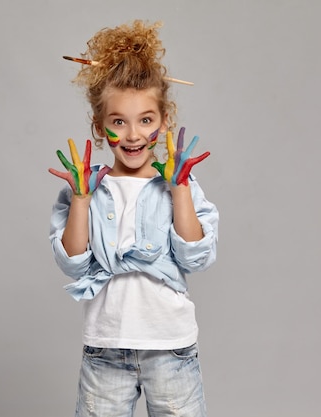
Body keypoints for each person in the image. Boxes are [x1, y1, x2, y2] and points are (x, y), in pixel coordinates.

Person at [49, 20, 219, 417]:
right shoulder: (86, 188)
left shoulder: (178, 184)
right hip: (105, 346)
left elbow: (196, 257)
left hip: (171, 346)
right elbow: (72, 262)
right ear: (100, 126)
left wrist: (179, 190)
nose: (132, 135)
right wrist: (80, 198)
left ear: (162, 123)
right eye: (118, 122)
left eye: (145, 120)